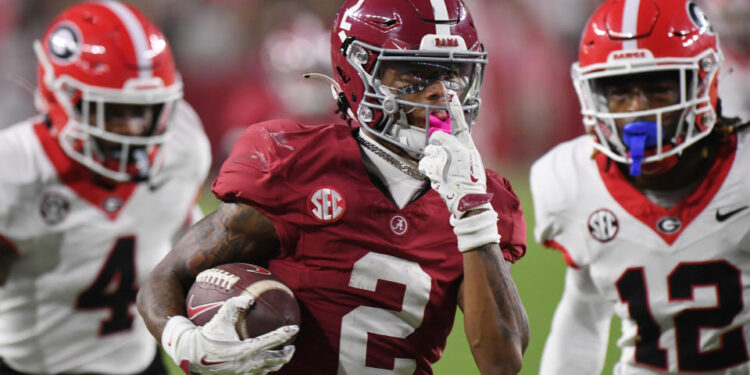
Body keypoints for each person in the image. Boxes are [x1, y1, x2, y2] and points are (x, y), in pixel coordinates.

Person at [136, 0, 529, 374]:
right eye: (415, 72)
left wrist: (473, 214)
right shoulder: (295, 167)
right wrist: (184, 342)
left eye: (453, 73)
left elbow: (501, 363)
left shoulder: (481, 200)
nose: (440, 93)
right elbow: (165, 278)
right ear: (357, 72)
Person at [531, 0, 750, 373]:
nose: (637, 111)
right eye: (619, 92)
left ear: (705, 83)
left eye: (659, 89)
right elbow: (583, 313)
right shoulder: (569, 180)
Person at [0, 1, 210, 374]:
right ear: (60, 97)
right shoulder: (15, 168)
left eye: (142, 111)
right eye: (111, 111)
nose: (132, 129)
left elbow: (185, 246)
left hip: (140, 365)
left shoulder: (182, 145)